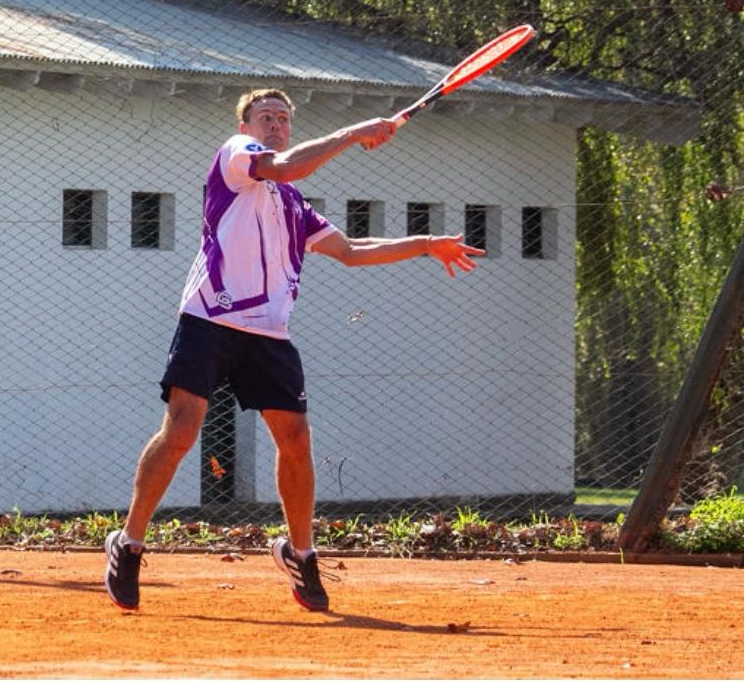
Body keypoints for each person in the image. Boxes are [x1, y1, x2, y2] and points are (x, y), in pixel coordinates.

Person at [104, 88, 484, 612]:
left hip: (268, 334)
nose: (276, 125)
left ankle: (300, 553)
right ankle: (129, 544)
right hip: (209, 319)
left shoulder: (293, 205)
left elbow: (350, 252)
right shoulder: (236, 157)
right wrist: (354, 132)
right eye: (266, 117)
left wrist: (424, 244)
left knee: (297, 438)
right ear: (247, 124)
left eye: (284, 119)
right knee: (183, 430)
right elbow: (282, 167)